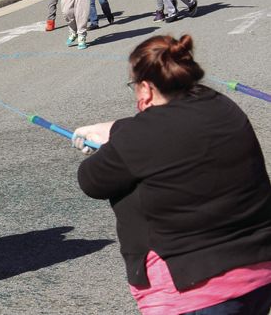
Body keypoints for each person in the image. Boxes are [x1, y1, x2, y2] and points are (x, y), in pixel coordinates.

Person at [72, 34, 271, 314]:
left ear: (145, 90)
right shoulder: (223, 108)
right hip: (257, 275)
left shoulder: (139, 137)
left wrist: (116, 138)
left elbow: (91, 180)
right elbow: (172, 127)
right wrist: (115, 129)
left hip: (193, 291)